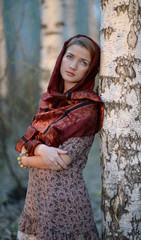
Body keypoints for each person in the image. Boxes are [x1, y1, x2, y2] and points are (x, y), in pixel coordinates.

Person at [15, 34, 104, 240]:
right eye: (69, 57)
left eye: (83, 62)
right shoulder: (50, 101)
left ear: (90, 70)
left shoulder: (87, 109)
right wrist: (41, 149)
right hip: (37, 199)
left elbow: (61, 161)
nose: (72, 66)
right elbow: (29, 141)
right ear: (61, 58)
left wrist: (27, 159)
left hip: (65, 204)